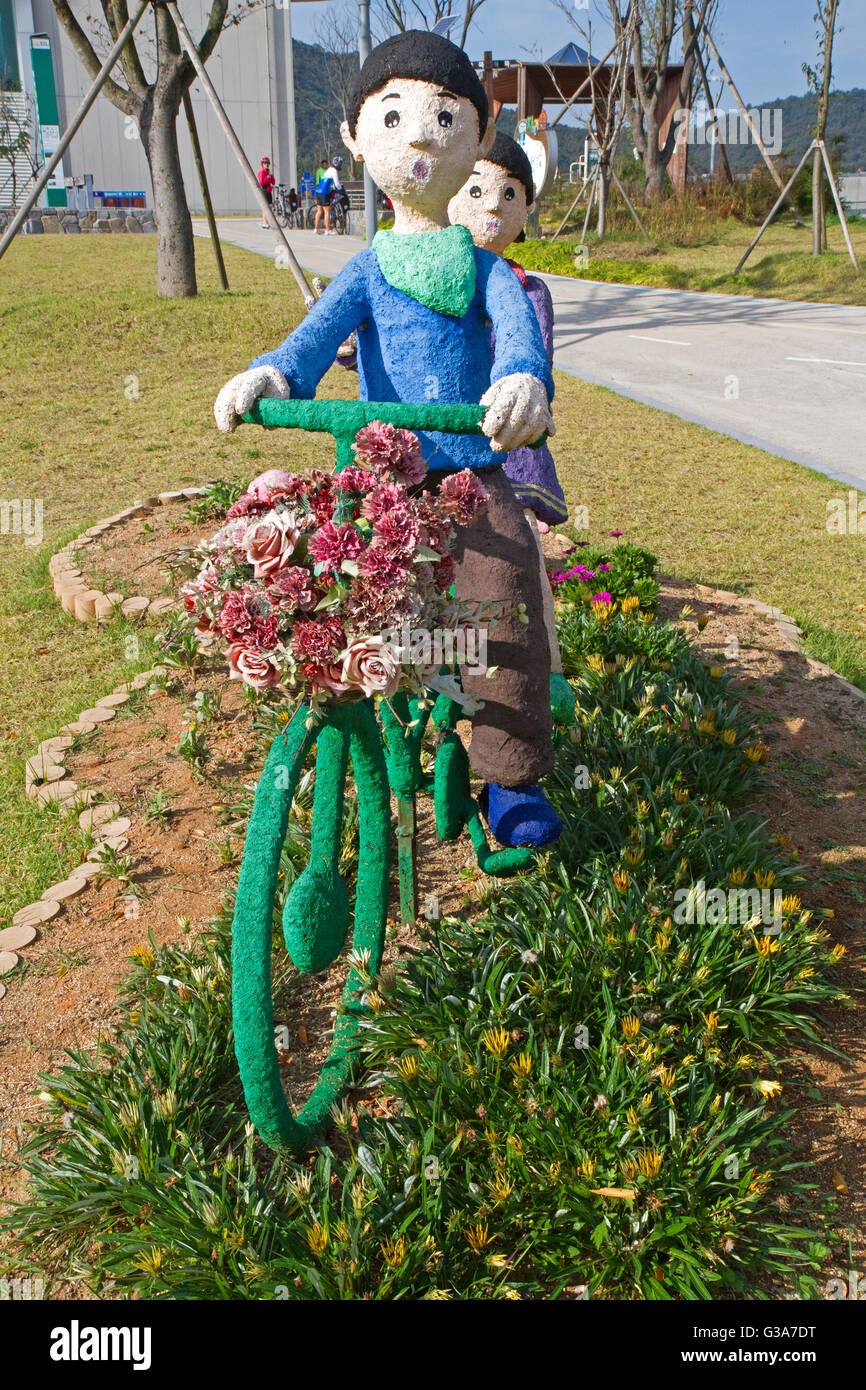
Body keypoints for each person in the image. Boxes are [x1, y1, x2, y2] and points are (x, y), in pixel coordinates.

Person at [215, 32, 561, 848]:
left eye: (444, 119)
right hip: (385, 478)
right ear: (356, 136)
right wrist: (273, 376)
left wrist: (521, 381)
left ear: (474, 142)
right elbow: (311, 339)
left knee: (504, 590)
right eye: (396, 115)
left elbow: (519, 339)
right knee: (328, 587)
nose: (418, 137)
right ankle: (349, 732)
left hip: (471, 473)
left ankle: (509, 780)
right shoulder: (366, 268)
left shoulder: (485, 270)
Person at [448, 132, 574, 723]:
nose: (491, 207)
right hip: (441, 442)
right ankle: (441, 674)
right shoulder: (430, 280)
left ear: (525, 211)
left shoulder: (528, 290)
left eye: (507, 194)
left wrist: (521, 384)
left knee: (517, 558)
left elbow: (532, 359)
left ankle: (541, 671)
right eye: (475, 190)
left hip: (502, 442)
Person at [313, 155, 344, 235]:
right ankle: (327, 230)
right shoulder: (334, 171)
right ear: (338, 165)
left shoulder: (329, 169)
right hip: (324, 192)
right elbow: (337, 184)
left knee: (319, 211)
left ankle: (315, 229)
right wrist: (341, 190)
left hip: (318, 190)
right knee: (327, 211)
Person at [257, 156, 275, 229]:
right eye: (265, 163)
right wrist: (267, 178)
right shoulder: (262, 172)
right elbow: (261, 183)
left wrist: (271, 177)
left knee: (270, 207)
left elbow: (273, 182)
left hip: (269, 191)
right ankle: (265, 223)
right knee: (265, 207)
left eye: (268, 163)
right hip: (264, 190)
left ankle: (268, 222)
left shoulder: (268, 171)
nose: (266, 164)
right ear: (262, 164)